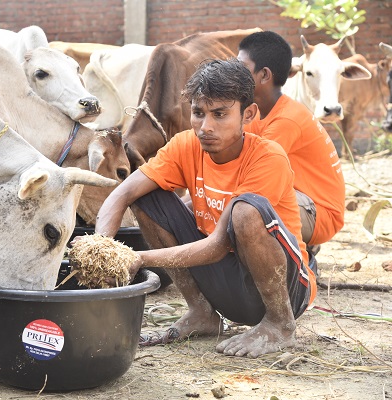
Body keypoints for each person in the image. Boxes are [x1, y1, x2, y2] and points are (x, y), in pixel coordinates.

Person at [91, 58, 316, 358]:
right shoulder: (185, 145)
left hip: (285, 288)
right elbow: (121, 195)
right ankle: (202, 313)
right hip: (225, 282)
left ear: (248, 114)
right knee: (145, 195)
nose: (206, 127)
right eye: (198, 113)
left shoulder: (267, 157)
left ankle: (280, 326)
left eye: (220, 114)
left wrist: (137, 257)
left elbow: (219, 244)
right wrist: (101, 248)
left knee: (245, 211)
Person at [237, 31, 345, 265]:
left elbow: (252, 176)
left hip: (318, 212)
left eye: (241, 70)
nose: (234, 77)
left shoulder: (287, 120)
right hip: (298, 198)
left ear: (264, 75)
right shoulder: (257, 113)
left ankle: (298, 262)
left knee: (247, 204)